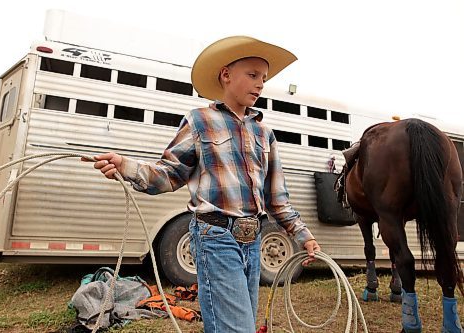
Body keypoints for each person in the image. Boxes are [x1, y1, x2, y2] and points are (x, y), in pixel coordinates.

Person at [84, 36, 321, 333]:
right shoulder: (200, 121)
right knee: (237, 328)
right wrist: (126, 166)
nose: (260, 84)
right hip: (216, 237)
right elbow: (170, 174)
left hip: (252, 240)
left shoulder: (265, 134)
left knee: (233, 324)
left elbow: (277, 198)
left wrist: (303, 235)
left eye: (263, 78)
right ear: (226, 75)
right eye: (252, 75)